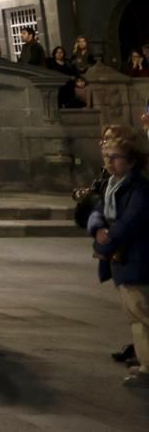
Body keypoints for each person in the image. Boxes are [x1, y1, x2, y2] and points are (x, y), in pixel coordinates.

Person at [88, 136, 149, 388]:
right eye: (106, 157)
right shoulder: (113, 185)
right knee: (135, 315)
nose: (109, 162)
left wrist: (103, 245)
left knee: (141, 314)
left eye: (115, 157)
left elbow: (129, 224)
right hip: (122, 259)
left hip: (137, 259)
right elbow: (98, 213)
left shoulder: (139, 189)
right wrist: (97, 229)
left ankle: (148, 369)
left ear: (131, 161)